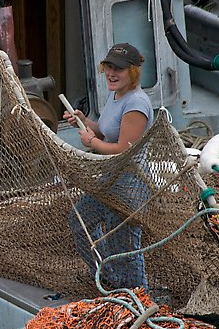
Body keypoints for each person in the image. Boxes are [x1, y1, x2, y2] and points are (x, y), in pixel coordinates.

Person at [63, 43, 154, 292]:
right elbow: (105, 131)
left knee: (124, 246)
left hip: (130, 184)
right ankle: (109, 281)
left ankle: (139, 299)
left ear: (133, 72)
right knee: (80, 220)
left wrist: (92, 142)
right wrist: (82, 122)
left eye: (119, 69)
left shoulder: (136, 104)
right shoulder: (116, 94)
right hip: (109, 178)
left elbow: (124, 149)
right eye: (109, 67)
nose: (112, 73)